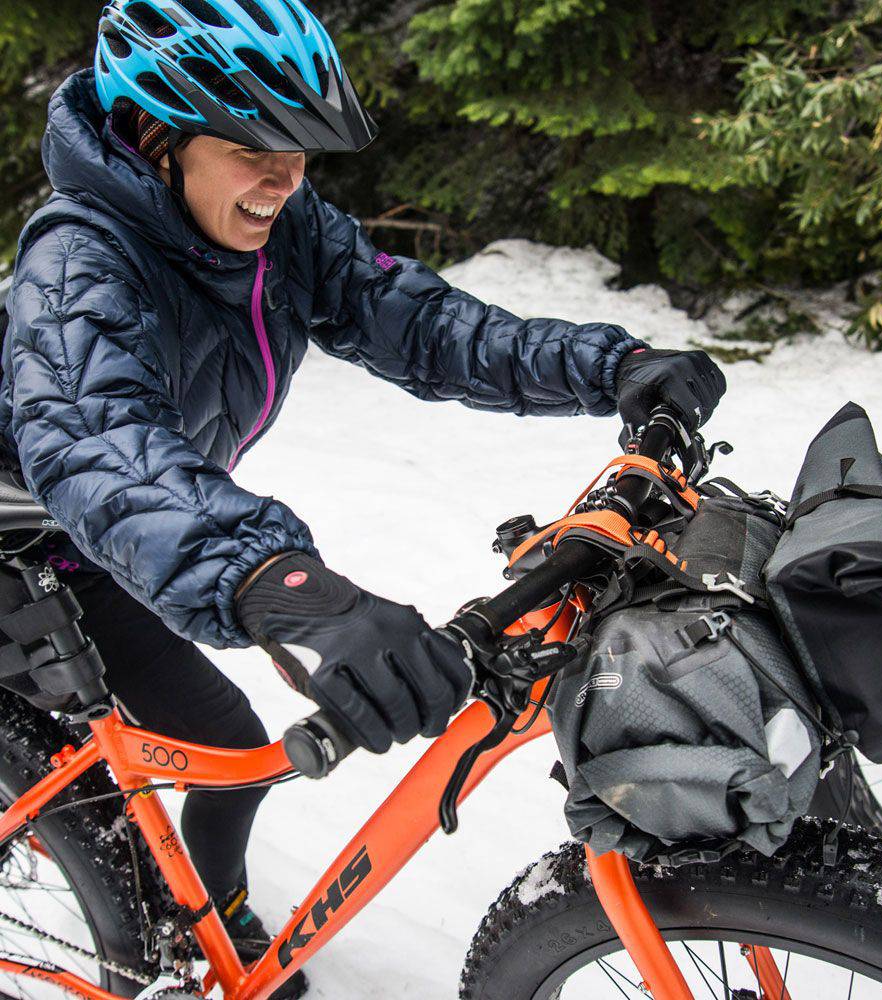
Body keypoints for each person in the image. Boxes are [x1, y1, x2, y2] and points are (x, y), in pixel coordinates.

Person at [0, 0, 726, 991]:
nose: (286, 178)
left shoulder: (277, 231)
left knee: (222, 749)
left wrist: (611, 367)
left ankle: (208, 922)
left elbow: (419, 324)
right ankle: (162, 944)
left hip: (118, 530)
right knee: (173, 762)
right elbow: (97, 439)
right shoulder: (78, 260)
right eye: (254, 148)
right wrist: (284, 585)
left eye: (300, 150)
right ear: (154, 135)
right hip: (34, 540)